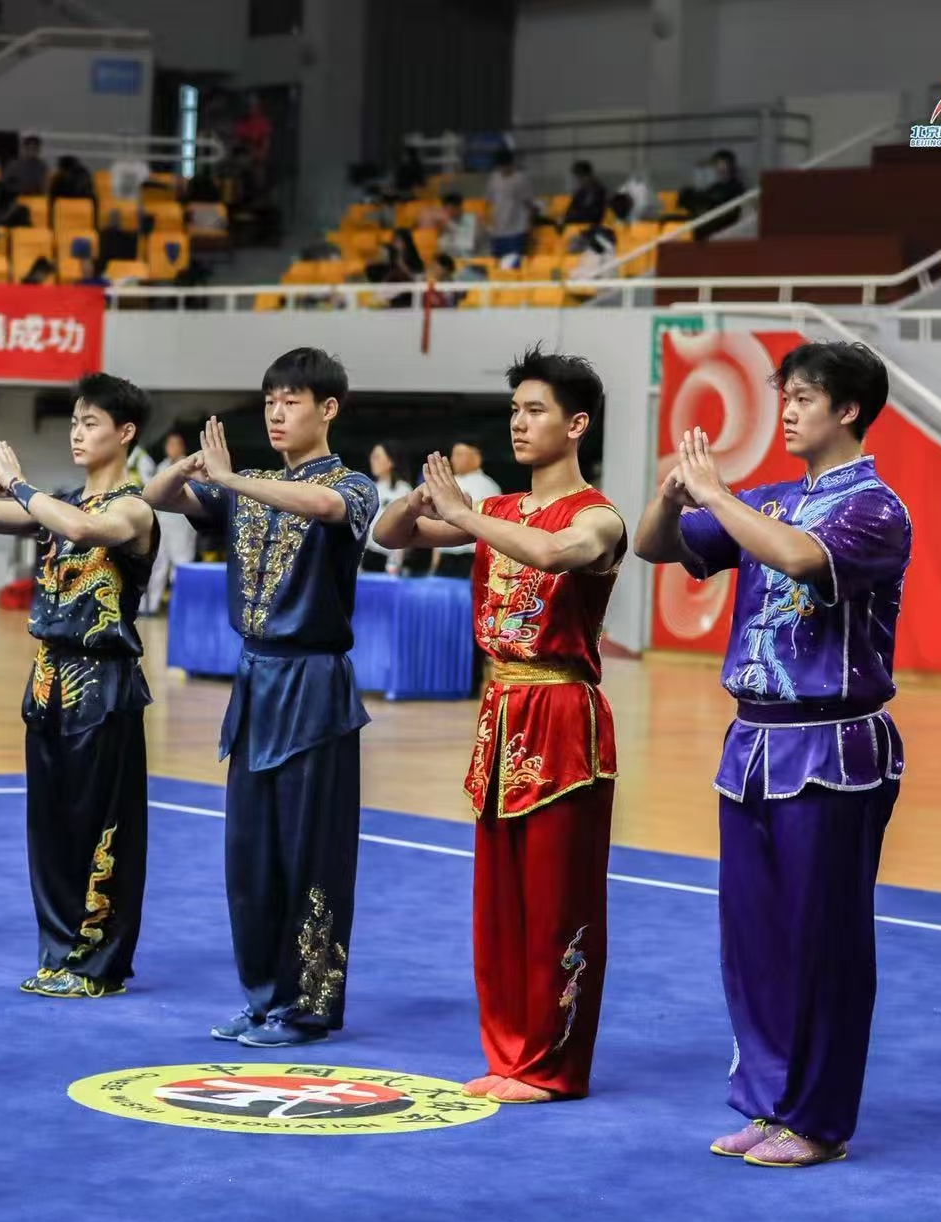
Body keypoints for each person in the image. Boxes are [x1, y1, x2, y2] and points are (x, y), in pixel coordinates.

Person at [634, 340, 910, 1168]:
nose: (785, 411)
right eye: (782, 396)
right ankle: (768, 1100)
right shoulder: (772, 496)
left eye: (803, 397)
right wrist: (671, 495)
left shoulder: (877, 507)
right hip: (752, 740)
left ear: (848, 409)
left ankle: (819, 1118)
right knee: (751, 937)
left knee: (821, 937)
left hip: (831, 742)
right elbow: (657, 548)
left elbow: (799, 559)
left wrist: (720, 495)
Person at [374, 346, 626, 1103]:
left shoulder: (598, 516)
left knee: (557, 903)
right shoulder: (501, 510)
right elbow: (390, 535)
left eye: (536, 409)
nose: (519, 423)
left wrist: (464, 515)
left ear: (576, 424)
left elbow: (555, 554)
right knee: (499, 903)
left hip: (561, 715)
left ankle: (552, 1066)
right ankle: (507, 1051)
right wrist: (425, 502)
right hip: (501, 714)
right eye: (514, 409)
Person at [142, 349, 379, 1047]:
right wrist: (192, 471)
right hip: (254, 684)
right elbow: (155, 498)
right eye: (270, 400)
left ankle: (306, 1007)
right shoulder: (247, 485)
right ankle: (261, 995)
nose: (277, 412)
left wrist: (233, 479)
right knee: (248, 853)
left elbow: (326, 506)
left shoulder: (354, 484)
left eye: (293, 400)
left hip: (314, 686)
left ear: (328, 409)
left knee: (313, 854)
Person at [0, 373, 159, 997]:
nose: (76, 432)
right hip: (48, 684)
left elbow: (85, 531)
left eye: (90, 423)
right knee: (50, 828)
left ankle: (100, 965)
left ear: (125, 433)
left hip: (103, 686)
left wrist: (18, 484)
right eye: (73, 422)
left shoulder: (132, 508)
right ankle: (58, 953)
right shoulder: (60, 502)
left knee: (101, 828)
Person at [430, 441, 502, 578]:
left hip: (471, 558)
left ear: (476, 457)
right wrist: (435, 562)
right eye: (453, 454)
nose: (453, 459)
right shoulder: (447, 482)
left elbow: (490, 529)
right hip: (445, 556)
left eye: (459, 454)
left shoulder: (488, 486)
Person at [144, 431, 196, 614]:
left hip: (182, 523)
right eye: (169, 445)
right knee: (158, 565)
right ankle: (151, 607)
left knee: (181, 565)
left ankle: (182, 608)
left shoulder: (191, 466)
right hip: (162, 522)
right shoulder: (162, 467)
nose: (171, 449)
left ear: (182, 447)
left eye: (175, 445)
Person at [361, 442, 412, 573]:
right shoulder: (369, 488)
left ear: (391, 461)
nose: (372, 461)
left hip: (388, 558)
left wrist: (395, 562)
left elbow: (403, 528)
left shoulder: (403, 490)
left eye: (377, 457)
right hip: (366, 555)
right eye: (372, 457)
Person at [485, 148, 535, 261]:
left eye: (506, 166)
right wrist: (489, 224)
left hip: (516, 231)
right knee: (497, 267)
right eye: (501, 167)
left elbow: (529, 205)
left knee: (513, 266)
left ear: (512, 164)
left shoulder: (521, 179)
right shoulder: (494, 178)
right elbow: (488, 202)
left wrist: (529, 227)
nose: (504, 170)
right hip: (498, 232)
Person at [562, 160, 608, 230]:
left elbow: (593, 215)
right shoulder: (581, 192)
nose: (578, 180)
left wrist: (570, 218)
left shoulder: (597, 191)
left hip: (590, 229)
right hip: (578, 228)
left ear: (587, 175)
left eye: (579, 177)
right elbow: (570, 211)